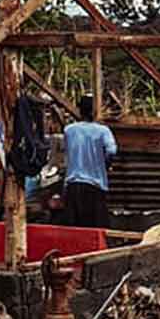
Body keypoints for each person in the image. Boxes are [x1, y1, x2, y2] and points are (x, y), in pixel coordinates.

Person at [63, 95, 117, 228]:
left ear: (79, 110)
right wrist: (106, 164)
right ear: (94, 111)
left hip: (73, 185)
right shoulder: (103, 131)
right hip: (95, 186)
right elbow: (111, 151)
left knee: (75, 229)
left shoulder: (69, 130)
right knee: (96, 229)